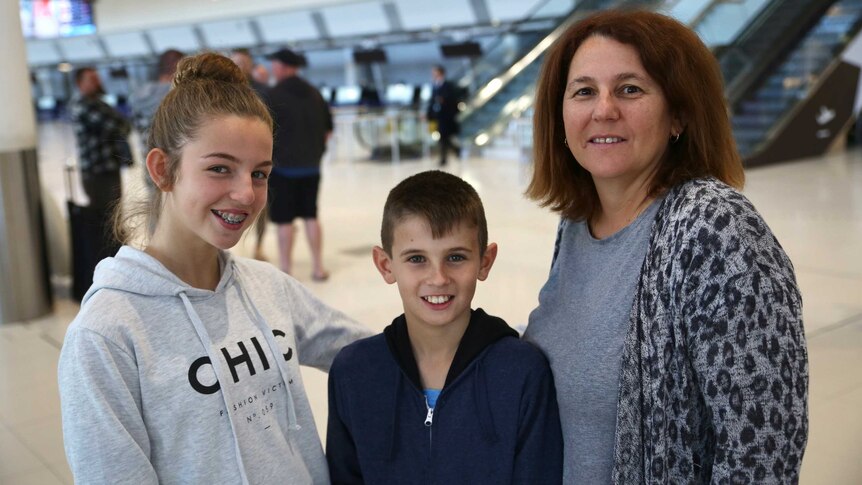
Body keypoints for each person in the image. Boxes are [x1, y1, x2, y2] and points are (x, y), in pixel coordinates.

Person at [58, 53, 372, 484]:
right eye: (220, 168)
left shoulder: (268, 287)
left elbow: (372, 355)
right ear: (162, 169)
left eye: (259, 174)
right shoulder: (104, 335)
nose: (245, 194)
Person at [523, 10, 808, 484]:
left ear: (678, 113)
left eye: (630, 89)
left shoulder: (716, 230)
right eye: (584, 91)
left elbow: (760, 454)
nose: (603, 110)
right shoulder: (576, 224)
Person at [326, 170, 563, 484]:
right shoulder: (354, 372)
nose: (438, 277)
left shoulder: (521, 371)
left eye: (455, 257)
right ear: (386, 265)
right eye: (416, 259)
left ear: (485, 261)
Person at [265, 48, 333, 281]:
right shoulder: (315, 93)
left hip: (282, 169)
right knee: (311, 216)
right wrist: (316, 154)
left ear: (283, 66)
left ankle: (286, 269)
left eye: (274, 64)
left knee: (284, 220)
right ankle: (318, 267)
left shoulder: (273, 95)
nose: (273, 68)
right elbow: (328, 131)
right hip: (311, 167)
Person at [69, 66, 131, 213]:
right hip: (96, 172)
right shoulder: (83, 105)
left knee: (114, 213)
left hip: (108, 167)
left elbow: (125, 126)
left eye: (97, 79)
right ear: (79, 83)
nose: (97, 83)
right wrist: (122, 124)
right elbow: (118, 125)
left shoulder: (99, 103)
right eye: (92, 79)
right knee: (104, 217)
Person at [230, 48, 270, 261]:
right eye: (236, 62)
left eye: (244, 62)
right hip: (231, 156)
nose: (240, 67)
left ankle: (259, 245)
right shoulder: (224, 93)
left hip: (258, 159)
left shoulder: (262, 91)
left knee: (261, 207)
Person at [130, 48, 185, 159]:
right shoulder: (178, 95)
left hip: (148, 155)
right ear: (177, 65)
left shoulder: (138, 95)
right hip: (174, 157)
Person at [426, 65, 461, 166]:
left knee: (444, 137)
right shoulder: (435, 86)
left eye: (435, 72)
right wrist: (429, 114)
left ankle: (444, 158)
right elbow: (432, 102)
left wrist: (445, 100)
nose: (433, 75)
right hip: (439, 116)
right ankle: (455, 150)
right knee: (444, 137)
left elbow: (454, 99)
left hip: (448, 116)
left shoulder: (449, 85)